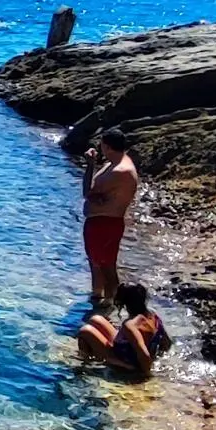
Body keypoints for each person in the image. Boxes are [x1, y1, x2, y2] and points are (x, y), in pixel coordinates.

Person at [82, 127, 138, 305]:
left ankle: (112, 302)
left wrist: (90, 164)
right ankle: (97, 297)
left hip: (105, 223)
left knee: (106, 264)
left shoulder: (119, 170)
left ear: (106, 146)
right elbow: (96, 192)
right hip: (100, 221)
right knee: (96, 262)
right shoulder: (113, 164)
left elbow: (88, 192)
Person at [76, 283, 167, 375]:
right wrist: (156, 355)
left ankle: (86, 365)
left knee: (85, 331)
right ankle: (88, 357)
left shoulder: (130, 325)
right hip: (126, 350)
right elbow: (167, 342)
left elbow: (144, 355)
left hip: (124, 361)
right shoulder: (153, 316)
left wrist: (144, 374)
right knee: (95, 319)